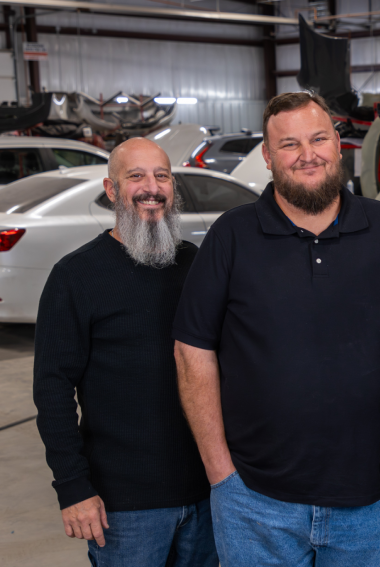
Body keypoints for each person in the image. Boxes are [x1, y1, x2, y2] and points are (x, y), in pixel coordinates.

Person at [172, 92, 380, 567]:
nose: (307, 155)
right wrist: (219, 471)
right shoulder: (231, 236)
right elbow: (192, 350)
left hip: (368, 497)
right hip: (254, 499)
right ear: (268, 157)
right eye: (289, 145)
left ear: (337, 142)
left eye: (317, 139)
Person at [33, 138, 216, 566]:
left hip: (207, 493)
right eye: (135, 176)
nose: (151, 187)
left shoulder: (194, 264)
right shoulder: (76, 276)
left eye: (162, 176)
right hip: (124, 506)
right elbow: (52, 391)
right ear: (112, 190)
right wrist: (73, 487)